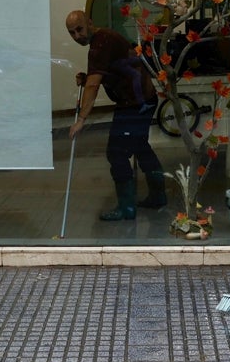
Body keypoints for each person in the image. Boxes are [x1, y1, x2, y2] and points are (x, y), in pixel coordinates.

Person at [65, 11, 166, 221]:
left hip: (135, 103)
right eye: (71, 33)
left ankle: (127, 208)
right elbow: (106, 72)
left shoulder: (101, 43)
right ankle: (158, 196)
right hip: (142, 100)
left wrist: (81, 120)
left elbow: (94, 84)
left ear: (90, 23)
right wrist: (87, 78)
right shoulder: (103, 40)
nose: (76, 36)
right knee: (140, 146)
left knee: (116, 152)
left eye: (79, 29)